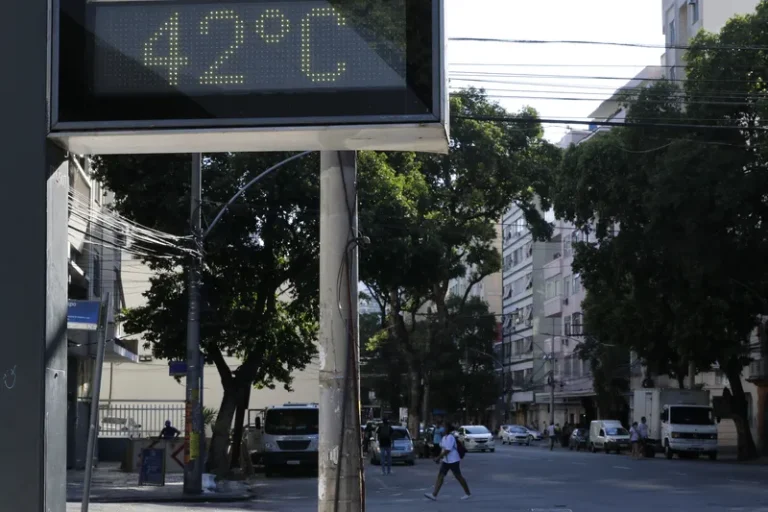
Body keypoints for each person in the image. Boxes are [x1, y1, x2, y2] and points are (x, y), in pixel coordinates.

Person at [424, 423, 471, 502]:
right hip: (446, 461)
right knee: (440, 476)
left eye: (444, 428)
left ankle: (468, 493)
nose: (442, 429)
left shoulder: (450, 438)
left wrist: (438, 458)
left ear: (447, 429)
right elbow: (443, 449)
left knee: (458, 477)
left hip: (453, 460)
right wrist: (439, 457)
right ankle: (434, 495)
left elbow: (447, 450)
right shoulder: (444, 438)